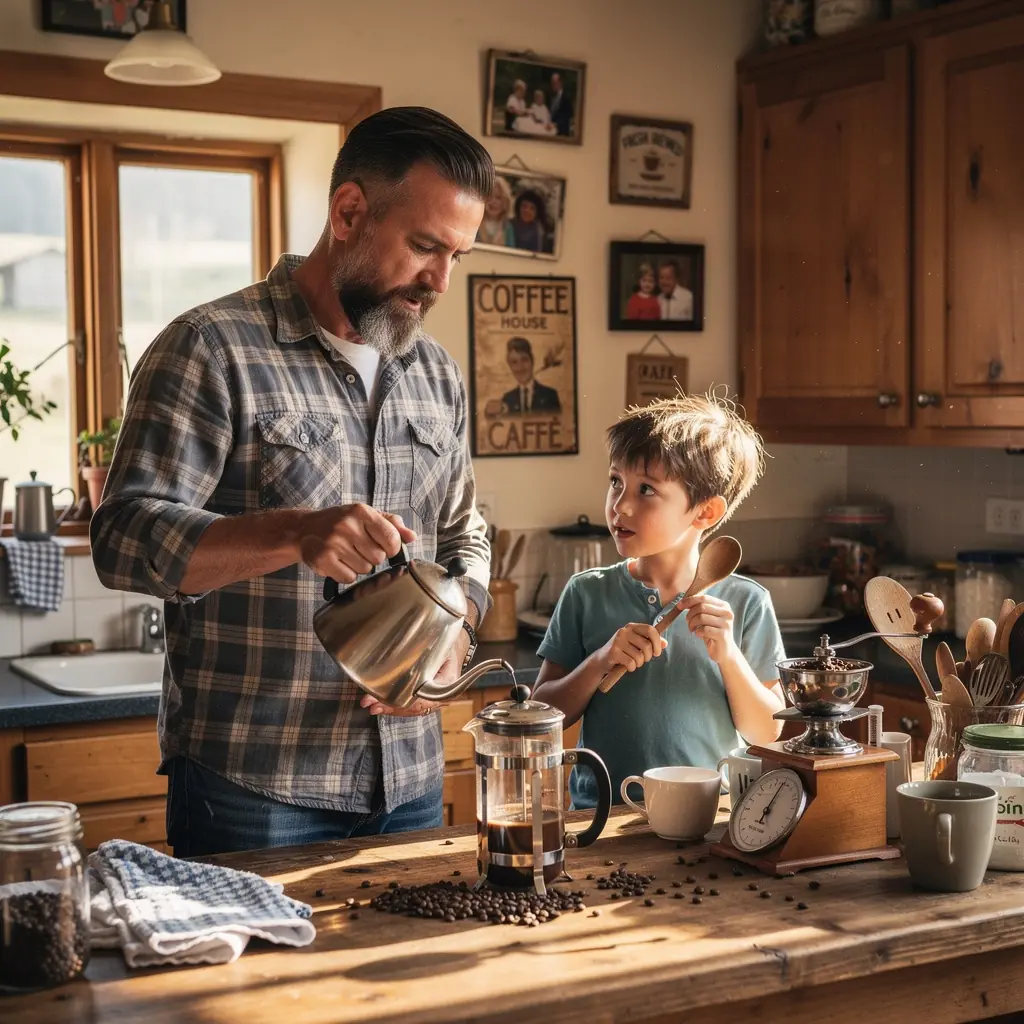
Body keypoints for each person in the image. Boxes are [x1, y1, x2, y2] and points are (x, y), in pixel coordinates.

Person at [90, 106, 495, 856]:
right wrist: (294, 532)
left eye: (456, 257)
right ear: (349, 212)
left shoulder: (435, 373)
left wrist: (456, 634)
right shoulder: (211, 347)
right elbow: (120, 540)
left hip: (408, 780)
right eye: (424, 247)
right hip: (252, 784)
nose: (439, 280)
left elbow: (467, 531)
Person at [531, 393, 786, 810]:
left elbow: (767, 732)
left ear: (705, 512)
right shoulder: (585, 593)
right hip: (601, 815)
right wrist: (600, 660)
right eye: (616, 482)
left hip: (710, 813)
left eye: (646, 489)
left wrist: (729, 657)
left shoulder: (747, 602)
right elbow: (542, 715)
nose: (620, 505)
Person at [500, 336, 561, 414]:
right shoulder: (507, 399)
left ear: (532, 361)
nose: (520, 367)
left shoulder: (550, 396)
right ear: (510, 366)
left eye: (524, 360)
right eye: (514, 362)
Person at [477, 176, 516, 247]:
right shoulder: (475, 222)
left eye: (498, 198)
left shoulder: (508, 228)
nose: (493, 202)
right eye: (490, 196)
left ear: (505, 202)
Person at [548, 72, 574, 137]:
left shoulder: (566, 97)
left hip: (562, 132)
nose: (553, 86)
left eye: (555, 83)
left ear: (560, 83)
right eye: (552, 84)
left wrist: (556, 124)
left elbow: (568, 115)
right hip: (551, 132)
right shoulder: (551, 97)